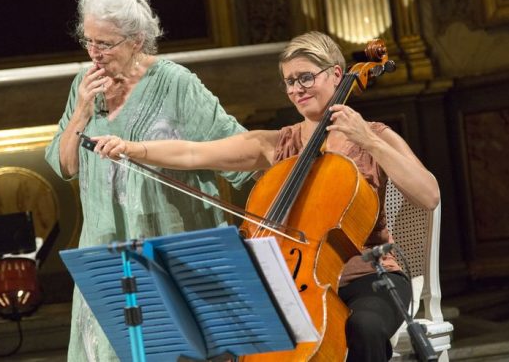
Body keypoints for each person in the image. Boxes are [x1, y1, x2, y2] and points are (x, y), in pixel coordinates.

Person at [94, 31, 440, 362]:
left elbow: (428, 195)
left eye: (305, 77)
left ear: (337, 75)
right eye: (290, 81)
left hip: (369, 279)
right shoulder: (278, 144)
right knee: (220, 338)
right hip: (292, 284)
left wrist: (368, 140)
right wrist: (131, 148)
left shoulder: (375, 137)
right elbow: (192, 153)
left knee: (363, 328)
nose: (297, 89)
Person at [45, 0, 253, 361]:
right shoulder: (84, 85)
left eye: (105, 44)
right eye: (88, 41)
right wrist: (80, 113)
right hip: (106, 251)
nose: (94, 53)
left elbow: (237, 150)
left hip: (170, 249)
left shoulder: (176, 83)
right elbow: (66, 166)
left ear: (137, 40)